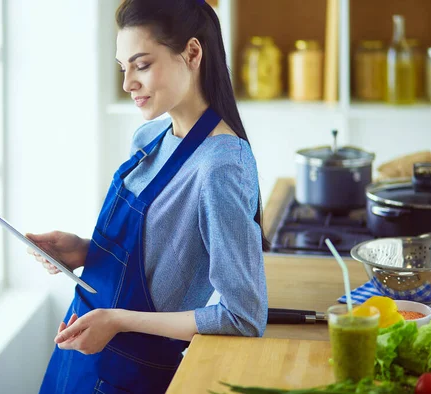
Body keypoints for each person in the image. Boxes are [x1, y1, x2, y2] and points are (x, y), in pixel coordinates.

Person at [26, 0, 268, 392]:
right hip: (79, 354)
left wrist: (118, 320)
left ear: (192, 53)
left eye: (142, 65)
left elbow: (243, 317)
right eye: (124, 68)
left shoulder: (221, 166)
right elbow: (159, 258)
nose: (128, 84)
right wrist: (85, 251)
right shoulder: (150, 138)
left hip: (130, 376)